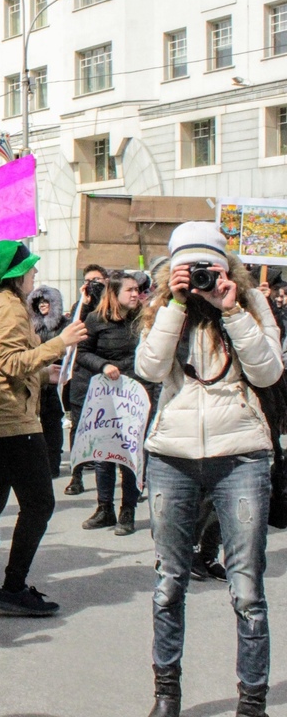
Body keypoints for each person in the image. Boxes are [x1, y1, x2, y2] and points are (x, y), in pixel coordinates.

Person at [134, 222, 282, 717]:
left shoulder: (249, 305)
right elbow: (150, 369)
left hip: (240, 454)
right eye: (189, 268)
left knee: (246, 587)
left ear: (226, 267)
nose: (199, 277)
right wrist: (175, 304)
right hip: (173, 455)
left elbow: (267, 372)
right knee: (169, 582)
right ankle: (166, 695)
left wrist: (232, 308)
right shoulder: (162, 308)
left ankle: (252, 703)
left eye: (208, 267)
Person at [0, 241, 87, 615]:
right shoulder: (7, 307)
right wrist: (58, 344)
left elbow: (8, 361)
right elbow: (8, 362)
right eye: (30, 268)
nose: (34, 274)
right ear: (14, 274)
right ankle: (14, 586)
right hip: (12, 421)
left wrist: (43, 371)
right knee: (39, 503)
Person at [76, 273, 153, 536]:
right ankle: (104, 508)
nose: (135, 294)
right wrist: (103, 365)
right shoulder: (96, 319)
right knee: (104, 454)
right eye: (130, 290)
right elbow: (82, 353)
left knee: (130, 454)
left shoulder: (145, 319)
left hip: (135, 396)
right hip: (105, 395)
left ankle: (127, 511)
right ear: (115, 293)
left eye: (138, 290)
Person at [63, 263, 110, 495]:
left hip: (106, 375)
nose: (94, 285)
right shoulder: (79, 307)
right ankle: (76, 475)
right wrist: (84, 303)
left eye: (98, 281)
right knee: (79, 427)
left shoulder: (114, 307)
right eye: (89, 281)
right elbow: (74, 332)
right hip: (82, 378)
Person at [28, 284, 70, 477]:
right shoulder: (31, 326)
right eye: (39, 302)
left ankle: (53, 462)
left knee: (53, 422)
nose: (43, 305)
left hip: (57, 380)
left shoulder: (63, 325)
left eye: (46, 302)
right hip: (37, 378)